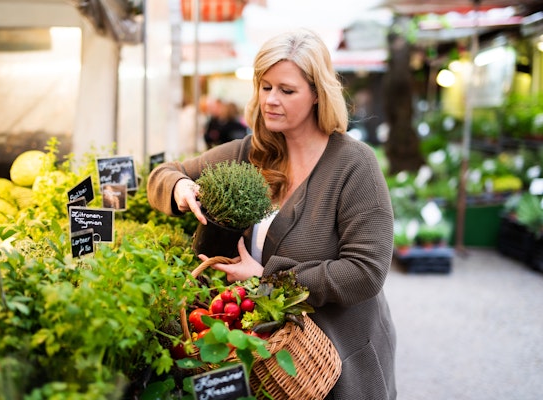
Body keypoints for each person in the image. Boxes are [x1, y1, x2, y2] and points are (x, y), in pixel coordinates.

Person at [147, 28, 396, 400]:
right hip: (270, 356)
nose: (271, 100)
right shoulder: (251, 152)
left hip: (334, 360)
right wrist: (180, 188)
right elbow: (163, 174)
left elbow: (365, 272)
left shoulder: (353, 165)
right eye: (265, 87)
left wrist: (268, 278)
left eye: (287, 90)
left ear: (316, 94)